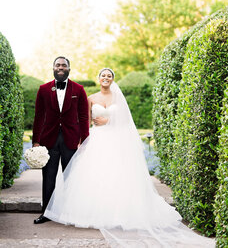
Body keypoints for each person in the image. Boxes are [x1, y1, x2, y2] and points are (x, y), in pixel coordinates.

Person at [44, 68, 215, 247]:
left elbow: (125, 121)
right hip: (97, 140)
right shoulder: (91, 98)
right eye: (103, 75)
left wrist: (108, 121)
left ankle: (121, 212)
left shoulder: (118, 98)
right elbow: (85, 120)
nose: (106, 78)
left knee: (118, 175)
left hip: (116, 140)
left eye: (109, 76)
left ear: (112, 79)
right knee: (97, 175)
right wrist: (81, 140)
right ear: (98, 78)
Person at [32, 56, 89, 224]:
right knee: (48, 178)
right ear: (53, 68)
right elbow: (39, 117)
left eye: (64, 65)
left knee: (70, 178)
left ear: (69, 69)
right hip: (48, 140)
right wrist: (36, 141)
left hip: (71, 140)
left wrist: (84, 140)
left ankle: (72, 215)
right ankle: (46, 214)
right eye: (58, 65)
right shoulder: (43, 89)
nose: (61, 67)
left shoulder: (79, 89)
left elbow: (84, 116)